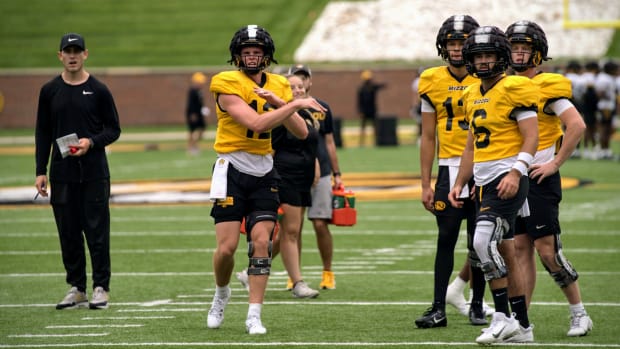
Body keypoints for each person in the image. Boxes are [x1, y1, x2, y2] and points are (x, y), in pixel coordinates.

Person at [206, 24, 326, 335]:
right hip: (231, 167)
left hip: (264, 170)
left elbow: (301, 132)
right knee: (227, 248)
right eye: (246, 51)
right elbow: (257, 124)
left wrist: (281, 101)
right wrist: (294, 104)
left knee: (261, 242)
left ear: (266, 55)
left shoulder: (279, 85)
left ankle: (254, 314)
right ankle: (221, 293)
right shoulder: (225, 82)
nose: (251, 56)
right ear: (237, 55)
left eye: (257, 51)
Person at [449, 26, 539, 344]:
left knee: (480, 241)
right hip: (485, 180)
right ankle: (524, 328)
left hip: (507, 176)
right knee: (506, 250)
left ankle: (501, 317)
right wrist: (461, 180)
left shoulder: (514, 87)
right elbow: (472, 146)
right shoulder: (472, 93)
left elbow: (532, 135)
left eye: (489, 55)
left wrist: (516, 172)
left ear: (501, 57)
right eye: (479, 55)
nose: (484, 61)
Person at [506, 20, 592, 337]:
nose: (517, 53)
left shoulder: (548, 85)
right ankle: (522, 321)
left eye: (524, 48)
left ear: (537, 53)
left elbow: (577, 125)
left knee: (547, 251)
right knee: (518, 250)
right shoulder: (504, 84)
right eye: (513, 47)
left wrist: (555, 163)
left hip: (539, 176)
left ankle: (579, 313)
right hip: (513, 176)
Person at [35, 33, 121, 311]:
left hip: (94, 173)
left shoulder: (99, 90)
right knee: (68, 232)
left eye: (77, 51)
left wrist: (91, 142)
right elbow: (43, 132)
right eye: (67, 51)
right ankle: (77, 288)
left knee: (96, 231)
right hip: (61, 174)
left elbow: (113, 129)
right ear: (59, 55)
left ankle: (100, 287)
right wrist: (40, 170)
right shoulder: (49, 91)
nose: (72, 56)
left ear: (86, 54)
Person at [416, 15, 491, 329]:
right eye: (452, 42)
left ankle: (476, 304)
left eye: (462, 42)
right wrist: (424, 182)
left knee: (478, 240)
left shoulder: (487, 78)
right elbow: (428, 135)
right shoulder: (430, 79)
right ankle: (438, 307)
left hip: (483, 168)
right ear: (443, 46)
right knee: (445, 238)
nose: (458, 48)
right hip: (447, 168)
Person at [288, 64, 343, 290]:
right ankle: (295, 275)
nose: (300, 85)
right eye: (295, 81)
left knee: (320, 224)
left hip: (321, 171)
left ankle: (327, 271)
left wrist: (337, 173)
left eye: (303, 79)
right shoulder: (283, 108)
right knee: (294, 226)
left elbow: (329, 142)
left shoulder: (322, 107)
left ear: (309, 82)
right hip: (295, 172)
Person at [594, 60, 618, 160]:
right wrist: (609, 97)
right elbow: (599, 93)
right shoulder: (604, 78)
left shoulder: (607, 77)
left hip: (608, 106)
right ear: (610, 69)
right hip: (605, 107)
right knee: (605, 129)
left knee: (608, 129)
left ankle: (606, 150)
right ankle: (603, 151)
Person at [357, 69, 386, 146]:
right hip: (364, 111)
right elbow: (359, 101)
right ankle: (361, 143)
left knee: (375, 127)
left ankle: (376, 142)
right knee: (363, 127)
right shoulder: (361, 89)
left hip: (372, 110)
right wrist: (360, 111)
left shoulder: (373, 87)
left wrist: (384, 84)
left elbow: (380, 86)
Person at [185, 72, 210, 155]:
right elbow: (190, 103)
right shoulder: (192, 91)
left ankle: (195, 145)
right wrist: (192, 114)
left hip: (199, 113)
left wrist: (203, 109)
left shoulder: (200, 91)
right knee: (192, 131)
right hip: (193, 114)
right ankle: (190, 147)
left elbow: (200, 102)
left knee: (202, 129)